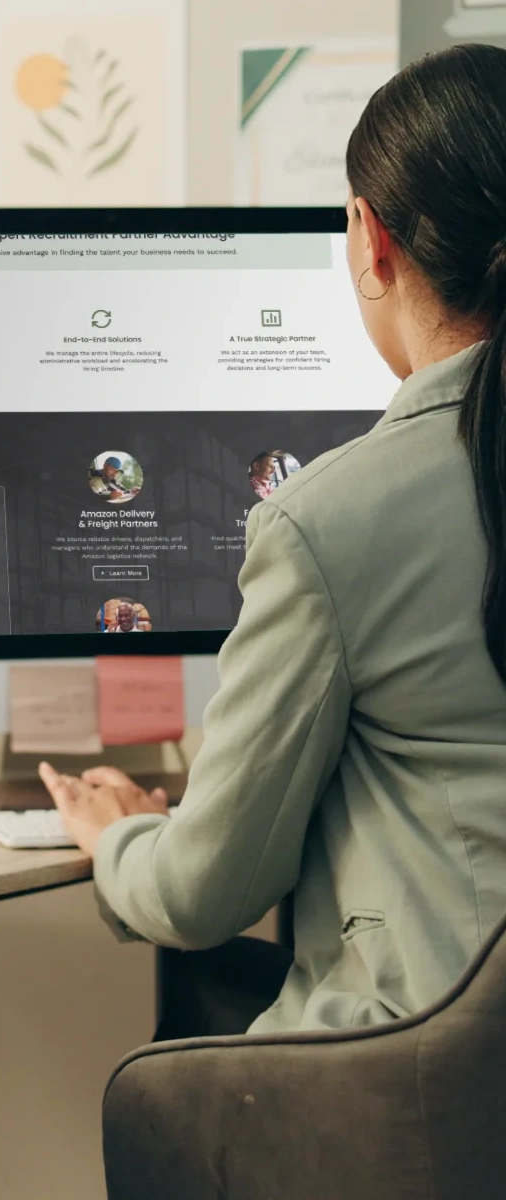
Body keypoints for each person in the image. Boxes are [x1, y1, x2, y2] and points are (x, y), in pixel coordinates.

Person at [39, 44, 506, 1039]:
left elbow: (204, 894)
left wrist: (117, 834)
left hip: (427, 1085)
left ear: (369, 239)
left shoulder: (331, 518)